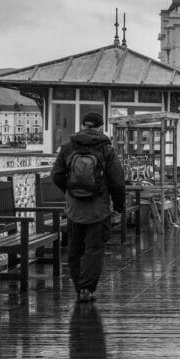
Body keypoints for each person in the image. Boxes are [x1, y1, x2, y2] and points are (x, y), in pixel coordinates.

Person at [51, 111, 126, 303]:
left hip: (74, 209)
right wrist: (119, 206)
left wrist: (70, 191)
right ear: (100, 127)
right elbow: (117, 181)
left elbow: (56, 174)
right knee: (94, 248)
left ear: (83, 125)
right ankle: (86, 287)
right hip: (98, 208)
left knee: (75, 248)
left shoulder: (68, 147)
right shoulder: (106, 149)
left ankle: (78, 285)